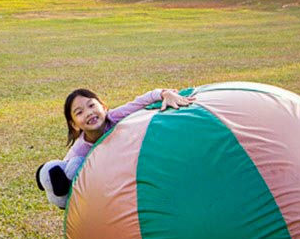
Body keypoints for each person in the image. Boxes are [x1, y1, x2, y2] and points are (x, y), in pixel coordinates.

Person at [36, 87, 195, 208]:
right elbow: (66, 172)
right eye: (79, 112)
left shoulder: (114, 117)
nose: (89, 113)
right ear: (74, 125)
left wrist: (164, 94)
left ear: (104, 107)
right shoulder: (80, 150)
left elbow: (140, 101)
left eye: (92, 105)